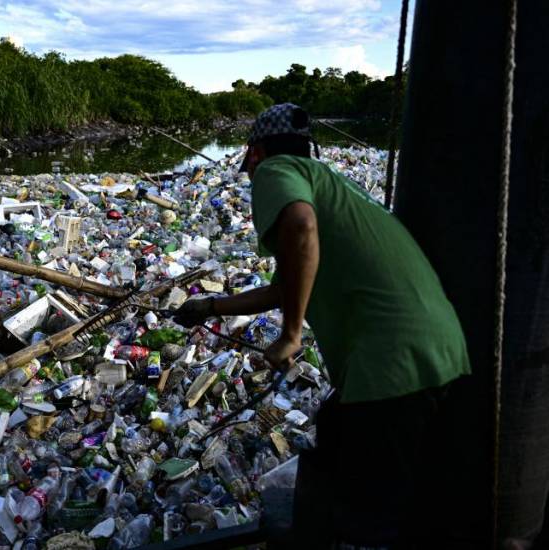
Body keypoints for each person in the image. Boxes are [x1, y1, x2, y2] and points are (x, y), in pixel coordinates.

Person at [174, 103, 471, 549]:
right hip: (438, 350)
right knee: (354, 449)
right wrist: (210, 306)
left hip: (391, 362)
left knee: (368, 506)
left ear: (254, 153)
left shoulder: (276, 170)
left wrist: (291, 335)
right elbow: (282, 285)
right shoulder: (330, 183)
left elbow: (299, 224)